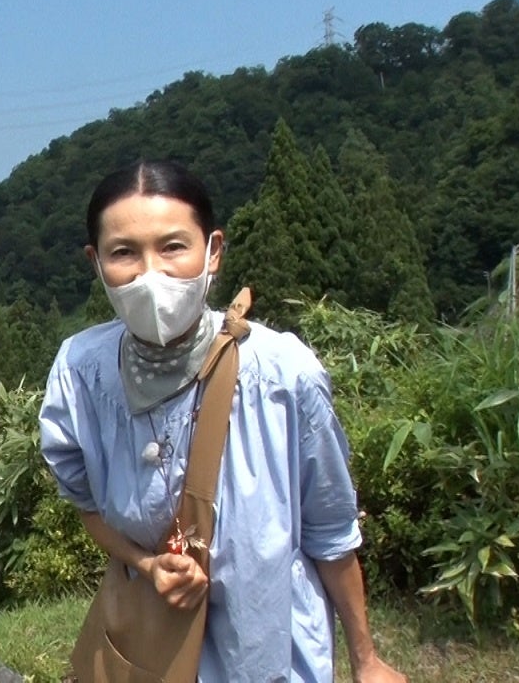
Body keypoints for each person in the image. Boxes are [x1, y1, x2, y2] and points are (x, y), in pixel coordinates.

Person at [39, 160, 405, 682]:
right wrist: (146, 566)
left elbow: (330, 533)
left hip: (265, 651)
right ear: (96, 262)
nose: (150, 275)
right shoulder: (81, 373)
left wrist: (366, 660)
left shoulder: (282, 374)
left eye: (173, 247)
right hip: (152, 653)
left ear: (212, 251)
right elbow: (87, 504)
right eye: (124, 253)